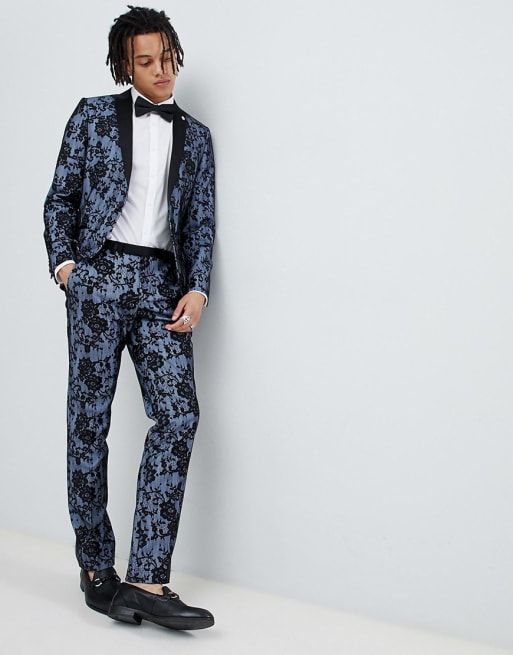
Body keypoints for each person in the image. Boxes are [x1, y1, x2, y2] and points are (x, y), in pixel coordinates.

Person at [43, 5, 215, 631]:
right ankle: (96, 568)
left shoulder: (197, 137)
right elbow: (60, 199)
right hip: (98, 278)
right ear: (125, 66)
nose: (161, 70)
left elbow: (200, 219)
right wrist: (67, 268)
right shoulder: (92, 116)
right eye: (146, 62)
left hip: (161, 286)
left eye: (168, 58)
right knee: (88, 425)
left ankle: (146, 580)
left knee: (178, 415)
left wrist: (198, 288)